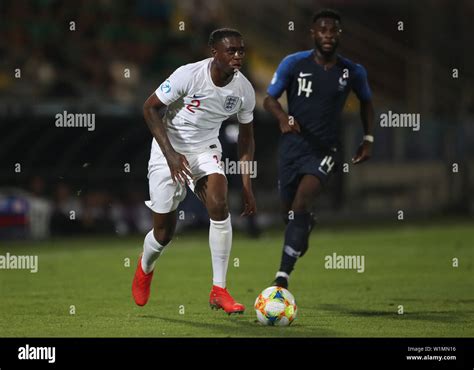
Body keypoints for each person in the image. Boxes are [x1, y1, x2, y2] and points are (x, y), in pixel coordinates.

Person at [132, 28, 256, 314]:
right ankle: (145, 267)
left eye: (241, 51)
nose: (238, 56)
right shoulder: (188, 75)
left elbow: (247, 138)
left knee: (219, 203)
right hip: (168, 149)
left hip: (205, 149)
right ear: (215, 53)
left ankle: (219, 290)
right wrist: (171, 155)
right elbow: (149, 108)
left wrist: (247, 184)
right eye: (231, 51)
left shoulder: (243, 90)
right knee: (163, 233)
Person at [263, 9, 375, 288]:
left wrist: (368, 138)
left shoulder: (352, 71)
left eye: (332, 30)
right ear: (313, 33)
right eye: (322, 30)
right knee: (289, 214)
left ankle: (282, 276)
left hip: (325, 150)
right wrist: (283, 118)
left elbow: (367, 102)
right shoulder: (293, 63)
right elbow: (269, 100)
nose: (327, 35)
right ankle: (304, 225)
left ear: (339, 34)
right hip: (291, 148)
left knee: (301, 203)